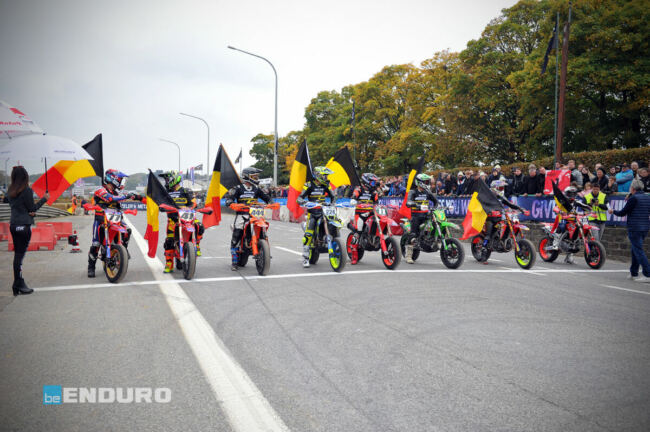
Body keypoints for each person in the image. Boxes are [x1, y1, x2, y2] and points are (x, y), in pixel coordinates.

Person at [88, 169, 142, 278]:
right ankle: (91, 267)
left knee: (127, 231)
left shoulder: (117, 193)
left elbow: (124, 199)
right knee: (96, 244)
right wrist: (125, 196)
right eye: (120, 179)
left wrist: (136, 196)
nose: (121, 182)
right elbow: (109, 198)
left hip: (115, 218)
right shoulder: (100, 190)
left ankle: (123, 250)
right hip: (101, 219)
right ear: (113, 179)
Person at [8, 166, 49, 295]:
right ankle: (18, 283)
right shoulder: (27, 190)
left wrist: (29, 211)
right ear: (25, 177)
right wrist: (44, 199)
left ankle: (17, 282)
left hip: (13, 225)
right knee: (20, 256)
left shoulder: (10, 190)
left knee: (17, 256)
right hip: (24, 226)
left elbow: (17, 206)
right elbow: (32, 208)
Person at [224, 167, 272, 271]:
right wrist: (230, 202)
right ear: (247, 177)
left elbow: (267, 198)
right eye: (254, 176)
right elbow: (230, 198)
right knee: (236, 235)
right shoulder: (238, 188)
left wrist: (271, 202)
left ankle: (265, 251)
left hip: (255, 215)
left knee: (263, 230)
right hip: (242, 215)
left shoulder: (257, 188)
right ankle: (234, 261)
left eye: (256, 176)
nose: (256, 178)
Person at [158, 171, 205, 273]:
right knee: (169, 241)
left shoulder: (185, 190)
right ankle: (169, 264)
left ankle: (196, 244)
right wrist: (162, 207)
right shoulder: (166, 193)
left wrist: (189, 207)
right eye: (165, 180)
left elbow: (193, 203)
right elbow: (161, 205)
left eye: (167, 179)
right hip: (173, 220)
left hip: (187, 217)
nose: (166, 182)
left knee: (199, 226)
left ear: (174, 179)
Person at [609, 180, 650, 282]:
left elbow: (623, 212)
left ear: (633, 188)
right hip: (645, 227)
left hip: (635, 227)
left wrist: (613, 211)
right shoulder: (647, 197)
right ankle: (634, 272)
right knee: (635, 249)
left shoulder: (633, 198)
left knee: (638, 250)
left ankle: (648, 273)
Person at [296, 166, 336, 268]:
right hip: (312, 213)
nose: (326, 178)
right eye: (324, 176)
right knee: (308, 235)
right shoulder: (308, 185)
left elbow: (333, 196)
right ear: (318, 175)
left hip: (324, 212)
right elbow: (299, 198)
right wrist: (303, 202)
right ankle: (305, 258)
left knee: (334, 224)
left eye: (326, 176)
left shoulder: (326, 185)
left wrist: (332, 203)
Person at [483, 179, 529, 250]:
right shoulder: (488, 197)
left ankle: (503, 240)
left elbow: (510, 204)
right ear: (495, 188)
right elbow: (483, 205)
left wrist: (521, 209)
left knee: (508, 224)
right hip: (490, 218)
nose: (502, 189)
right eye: (501, 188)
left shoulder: (501, 197)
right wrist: (490, 211)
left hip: (499, 218)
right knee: (488, 235)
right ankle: (484, 246)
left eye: (502, 188)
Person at [403, 173, 439, 264]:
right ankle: (408, 256)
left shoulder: (427, 192)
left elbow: (436, 201)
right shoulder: (413, 192)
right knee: (413, 234)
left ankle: (434, 241)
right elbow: (408, 202)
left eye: (428, 182)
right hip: (416, 216)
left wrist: (434, 207)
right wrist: (416, 205)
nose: (428, 183)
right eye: (426, 182)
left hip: (426, 216)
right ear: (419, 182)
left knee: (435, 224)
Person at [348, 172, 382, 264]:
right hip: (360, 214)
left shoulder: (374, 192)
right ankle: (354, 256)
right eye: (372, 182)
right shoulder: (359, 189)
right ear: (366, 181)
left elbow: (377, 203)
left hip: (371, 213)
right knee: (358, 232)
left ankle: (376, 239)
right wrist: (354, 201)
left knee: (379, 222)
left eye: (375, 182)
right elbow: (353, 198)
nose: (374, 184)